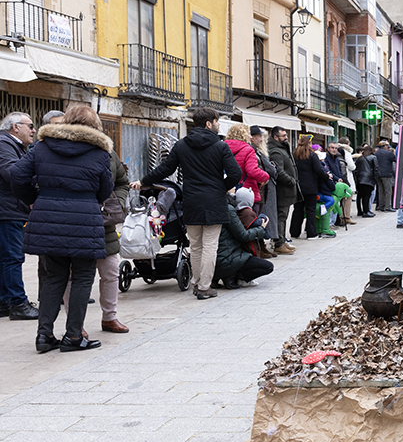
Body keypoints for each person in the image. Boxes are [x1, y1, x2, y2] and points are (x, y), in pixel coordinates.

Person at [9, 105, 113, 352]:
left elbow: (16, 175)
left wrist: (34, 199)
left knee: (53, 276)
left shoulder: (42, 147)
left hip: (47, 216)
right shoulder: (99, 152)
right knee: (82, 278)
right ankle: (74, 336)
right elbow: (105, 189)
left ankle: (44, 336)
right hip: (85, 220)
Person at [133, 107, 241, 300]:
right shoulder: (220, 146)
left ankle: (196, 283)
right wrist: (220, 187)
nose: (218, 125)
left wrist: (143, 182)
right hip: (214, 201)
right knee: (209, 246)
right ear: (209, 124)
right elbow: (235, 174)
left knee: (196, 245)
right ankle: (204, 287)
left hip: (191, 200)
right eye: (217, 122)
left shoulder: (182, 145)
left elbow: (165, 169)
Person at [73, 146, 130, 334]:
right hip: (73, 223)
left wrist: (118, 203)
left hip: (105, 223)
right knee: (75, 276)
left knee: (111, 270)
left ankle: (110, 317)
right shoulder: (64, 149)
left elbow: (122, 181)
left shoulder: (107, 152)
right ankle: (75, 325)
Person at [0, 111, 39, 320]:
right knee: (13, 258)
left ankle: (4, 302)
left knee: (6, 258)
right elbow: (12, 173)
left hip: (9, 209)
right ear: (16, 127)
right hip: (8, 210)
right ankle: (18, 303)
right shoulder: (4, 144)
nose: (33, 130)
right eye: (30, 126)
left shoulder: (11, 145)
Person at [214, 188, 274, 289]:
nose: (235, 189)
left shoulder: (224, 207)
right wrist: (261, 229)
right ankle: (234, 276)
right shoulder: (230, 209)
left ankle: (227, 275)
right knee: (267, 266)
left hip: (224, 254)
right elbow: (243, 235)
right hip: (228, 257)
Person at [266, 126, 300, 254]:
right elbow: (278, 171)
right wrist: (291, 180)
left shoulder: (281, 149)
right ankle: (279, 243)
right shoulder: (275, 151)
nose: (286, 137)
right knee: (281, 216)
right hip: (282, 190)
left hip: (286, 190)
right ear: (276, 137)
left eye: (286, 135)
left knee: (283, 216)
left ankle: (282, 241)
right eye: (283, 136)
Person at [290, 135, 330, 240]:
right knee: (310, 210)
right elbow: (318, 170)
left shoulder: (295, 155)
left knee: (297, 209)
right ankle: (311, 233)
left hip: (298, 186)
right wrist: (327, 176)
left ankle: (294, 232)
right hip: (310, 186)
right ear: (309, 144)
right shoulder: (312, 155)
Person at [224, 123, 269, 212]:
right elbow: (252, 171)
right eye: (248, 133)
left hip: (226, 190)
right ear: (243, 134)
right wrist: (265, 176)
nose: (250, 137)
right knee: (248, 221)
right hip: (245, 192)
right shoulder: (248, 149)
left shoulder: (222, 147)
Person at [251, 126, 279, 257]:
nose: (261, 139)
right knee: (258, 217)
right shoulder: (255, 152)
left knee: (261, 217)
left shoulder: (260, 152)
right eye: (259, 136)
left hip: (262, 190)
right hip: (258, 188)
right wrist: (270, 171)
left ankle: (262, 245)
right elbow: (268, 169)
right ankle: (259, 247)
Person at [337, 137, 358, 223]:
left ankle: (340, 216)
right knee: (348, 197)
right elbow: (352, 166)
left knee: (341, 197)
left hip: (339, 176)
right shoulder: (347, 152)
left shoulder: (337, 151)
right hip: (347, 176)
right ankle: (346, 216)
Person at [355, 144, 377, 217]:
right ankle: (366, 211)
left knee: (360, 195)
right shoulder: (373, 157)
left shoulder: (360, 158)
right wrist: (375, 179)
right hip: (368, 179)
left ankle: (360, 211)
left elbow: (356, 169)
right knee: (367, 196)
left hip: (360, 179)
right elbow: (376, 169)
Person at [374, 140, 397, 212]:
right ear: (385, 146)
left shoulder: (376, 153)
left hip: (378, 174)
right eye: (387, 146)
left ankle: (381, 206)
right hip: (387, 174)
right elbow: (395, 159)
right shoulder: (389, 153)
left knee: (380, 190)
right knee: (388, 191)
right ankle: (387, 206)